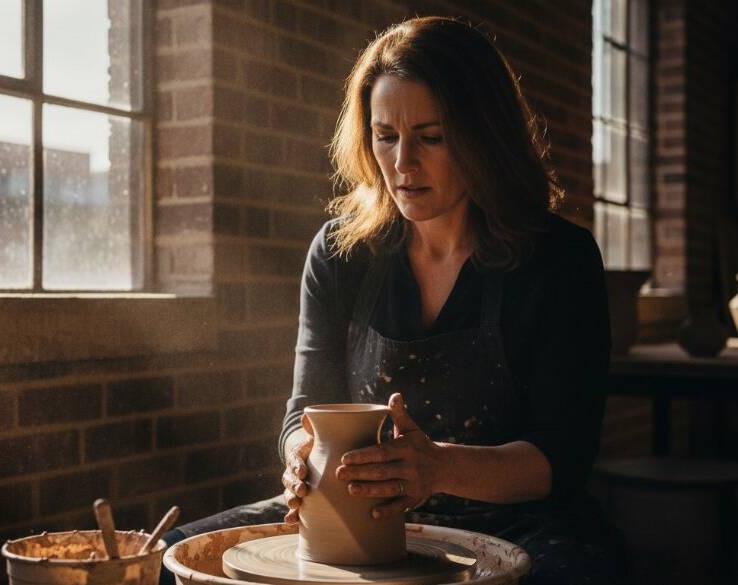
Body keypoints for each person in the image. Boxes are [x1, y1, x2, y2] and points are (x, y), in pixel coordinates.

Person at [160, 16, 622, 585]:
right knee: (163, 557)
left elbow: (563, 460)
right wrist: (302, 458)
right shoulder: (340, 254)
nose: (403, 162)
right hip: (360, 516)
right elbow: (303, 410)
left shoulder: (559, 260)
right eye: (386, 136)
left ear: (485, 136)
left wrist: (439, 467)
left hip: (521, 523)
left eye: (431, 137)